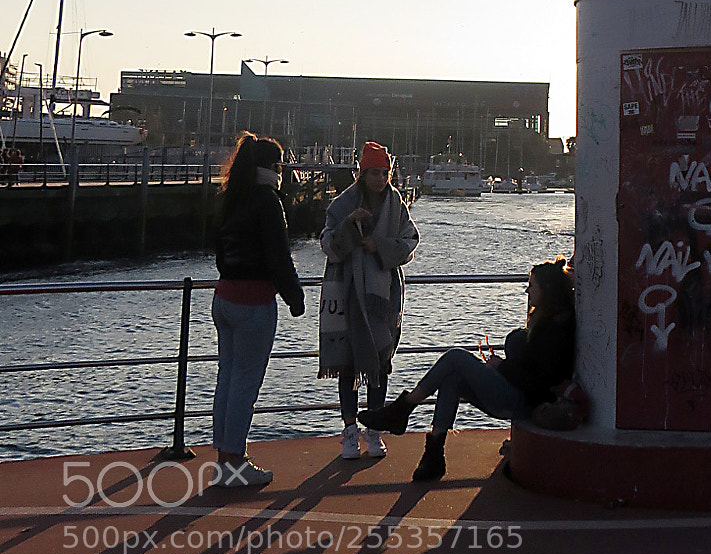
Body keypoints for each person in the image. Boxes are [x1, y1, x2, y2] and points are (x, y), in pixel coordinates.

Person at [364, 256, 575, 483]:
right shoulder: (545, 320)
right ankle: (434, 454)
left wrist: (502, 367)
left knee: (455, 357)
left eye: (532, 285)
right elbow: (530, 366)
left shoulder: (554, 329)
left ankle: (403, 408)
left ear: (547, 289)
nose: (527, 291)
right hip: (516, 390)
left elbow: (540, 380)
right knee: (452, 378)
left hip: (525, 401)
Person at [212, 133, 306, 486]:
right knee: (244, 384)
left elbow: (219, 249)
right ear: (272, 167)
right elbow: (278, 256)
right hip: (253, 301)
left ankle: (223, 458)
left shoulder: (231, 197)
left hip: (224, 296)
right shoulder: (267, 201)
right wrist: (294, 297)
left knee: (227, 376)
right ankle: (236, 461)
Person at [319, 140, 419, 460]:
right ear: (362, 173)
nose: (381, 179)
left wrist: (382, 246)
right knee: (348, 366)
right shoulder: (342, 203)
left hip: (383, 297)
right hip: (348, 293)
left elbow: (410, 240)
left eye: (385, 172)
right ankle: (350, 432)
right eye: (375, 172)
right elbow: (327, 244)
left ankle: (374, 430)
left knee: (379, 363)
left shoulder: (396, 204)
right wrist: (349, 226)